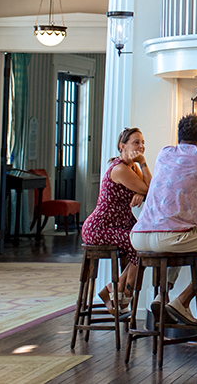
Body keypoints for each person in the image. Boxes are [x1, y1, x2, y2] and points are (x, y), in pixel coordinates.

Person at [130, 114, 197, 325]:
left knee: (180, 239)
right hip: (172, 236)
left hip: (139, 236)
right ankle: (182, 302)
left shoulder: (164, 153)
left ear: (178, 137)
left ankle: (162, 296)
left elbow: (176, 183)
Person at [81, 127, 152, 317]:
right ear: (123, 146)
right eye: (136, 142)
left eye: (142, 142)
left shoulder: (132, 168)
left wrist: (140, 190)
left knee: (147, 243)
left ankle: (114, 291)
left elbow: (148, 187)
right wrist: (143, 167)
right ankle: (122, 296)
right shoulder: (120, 169)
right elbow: (150, 189)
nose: (141, 146)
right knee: (140, 246)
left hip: (119, 223)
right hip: (100, 227)